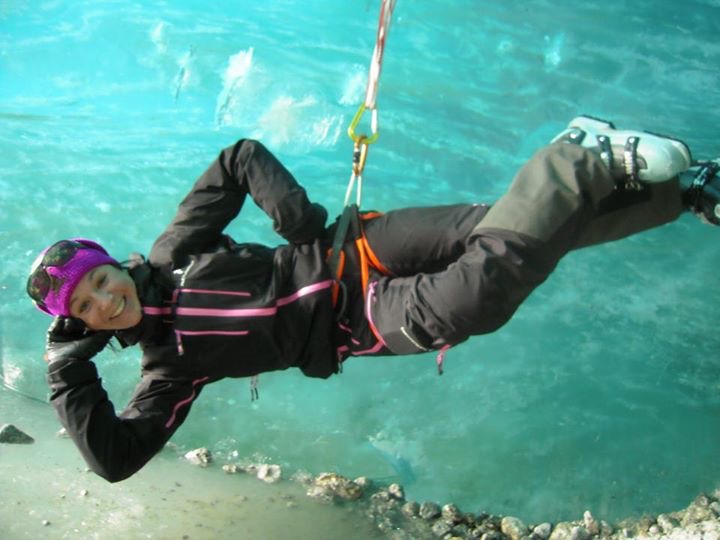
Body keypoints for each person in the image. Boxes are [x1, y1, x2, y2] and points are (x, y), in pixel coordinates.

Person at [27, 115, 719, 483]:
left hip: (358, 246)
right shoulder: (169, 370)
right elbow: (115, 459)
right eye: (86, 306)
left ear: (110, 262)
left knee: (508, 226)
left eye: (98, 278)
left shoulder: (172, 251)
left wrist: (296, 220)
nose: (104, 298)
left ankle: (686, 191)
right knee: (482, 292)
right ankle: (577, 157)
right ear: (81, 326)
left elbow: (237, 159)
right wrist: (68, 374)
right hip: (359, 322)